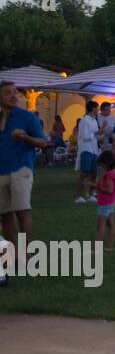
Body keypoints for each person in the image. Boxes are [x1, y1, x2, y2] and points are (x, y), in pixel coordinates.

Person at [0, 80, 48, 250]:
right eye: (7, 93)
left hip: (21, 169)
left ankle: (26, 253)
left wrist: (26, 137)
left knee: (22, 211)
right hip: (1, 171)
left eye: (14, 92)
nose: (13, 96)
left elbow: (43, 142)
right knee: (5, 214)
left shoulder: (28, 117)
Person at [92, 150, 115, 251]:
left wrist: (96, 186)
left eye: (102, 165)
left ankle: (96, 248)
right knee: (110, 224)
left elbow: (109, 189)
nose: (101, 167)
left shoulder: (109, 174)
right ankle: (109, 246)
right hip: (112, 201)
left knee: (101, 225)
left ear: (107, 163)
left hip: (105, 202)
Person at [74, 100, 102, 203]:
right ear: (93, 108)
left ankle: (91, 195)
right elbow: (85, 136)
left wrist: (100, 133)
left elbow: (96, 136)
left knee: (93, 173)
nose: (98, 110)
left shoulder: (94, 121)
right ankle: (78, 196)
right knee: (84, 173)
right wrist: (96, 133)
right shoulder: (84, 120)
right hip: (86, 149)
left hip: (94, 149)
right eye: (97, 108)